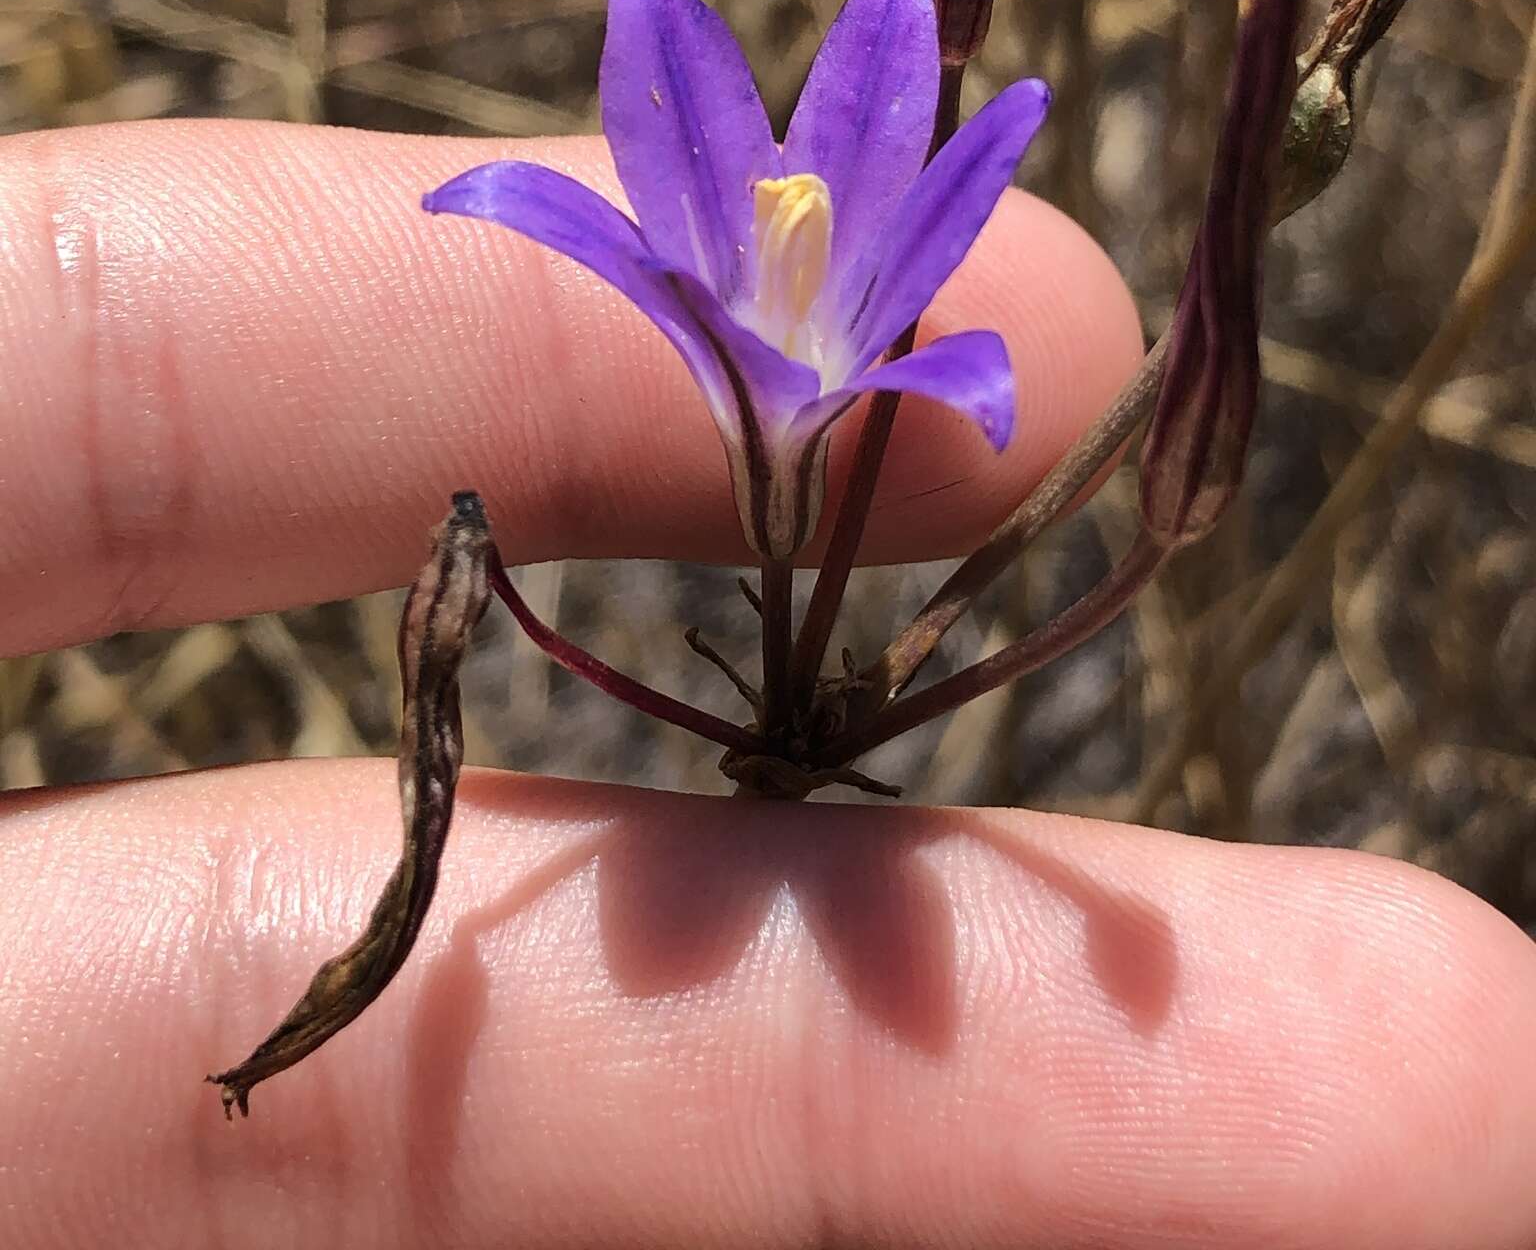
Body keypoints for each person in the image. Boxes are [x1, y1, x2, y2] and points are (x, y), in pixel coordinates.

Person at [1, 119, 1531, 1248]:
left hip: (799, 427)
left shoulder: (918, 349)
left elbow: (981, 355)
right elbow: (504, 192)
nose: (786, 215)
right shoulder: (677, 249)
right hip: (781, 437)